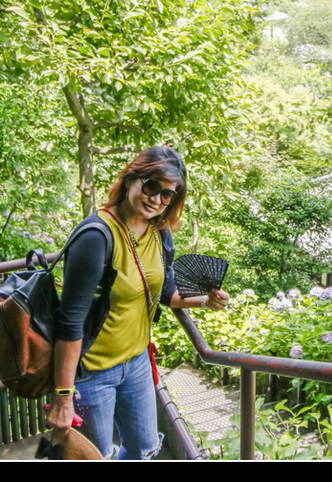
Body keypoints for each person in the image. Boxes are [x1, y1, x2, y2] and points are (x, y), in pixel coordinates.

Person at [46, 146, 230, 460]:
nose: (156, 199)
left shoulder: (160, 233)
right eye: (151, 186)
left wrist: (204, 301)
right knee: (94, 455)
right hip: (92, 372)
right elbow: (70, 321)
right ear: (132, 178)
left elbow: (167, 292)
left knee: (144, 447)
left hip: (137, 364)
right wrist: (63, 398)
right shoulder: (96, 237)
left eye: (167, 195)